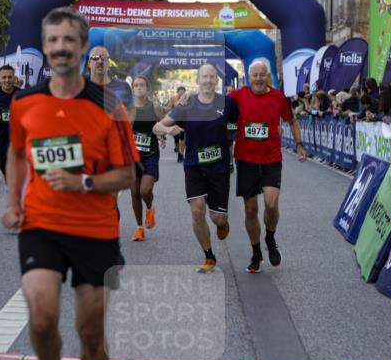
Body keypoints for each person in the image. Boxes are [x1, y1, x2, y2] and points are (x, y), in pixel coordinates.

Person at [2, 7, 138, 360]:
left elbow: (127, 175)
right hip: (42, 224)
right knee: (42, 317)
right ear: (45, 47)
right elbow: (17, 154)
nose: (61, 48)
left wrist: (84, 183)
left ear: (82, 48)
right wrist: (13, 202)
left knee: (90, 331)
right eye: (53, 40)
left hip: (95, 230)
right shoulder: (25, 103)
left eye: (69, 41)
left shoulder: (109, 107)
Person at [153, 63, 236, 273]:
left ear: (216, 80)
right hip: (194, 166)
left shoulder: (227, 103)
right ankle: (209, 256)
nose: (207, 80)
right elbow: (157, 126)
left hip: (219, 167)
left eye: (211, 77)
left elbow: (239, 123)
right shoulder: (187, 104)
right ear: (198, 80)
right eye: (204, 77)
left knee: (217, 217)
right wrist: (170, 130)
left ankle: (222, 222)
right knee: (197, 210)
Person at [229, 58, 306, 273]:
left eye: (262, 75)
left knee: (271, 205)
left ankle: (270, 238)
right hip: (246, 160)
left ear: (268, 76)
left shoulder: (278, 97)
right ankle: (256, 252)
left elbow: (292, 121)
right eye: (255, 75)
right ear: (248, 77)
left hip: (271, 158)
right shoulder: (237, 96)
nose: (258, 78)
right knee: (250, 210)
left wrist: (299, 145)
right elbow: (217, 110)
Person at [128, 75, 163, 241]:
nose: (139, 87)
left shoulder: (154, 106)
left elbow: (162, 123)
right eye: (136, 85)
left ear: (147, 89)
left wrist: (162, 135)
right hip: (133, 156)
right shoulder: (129, 109)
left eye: (142, 85)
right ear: (133, 89)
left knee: (144, 190)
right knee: (135, 193)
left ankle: (150, 207)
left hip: (150, 154)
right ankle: (139, 228)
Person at [86, 46, 132, 110]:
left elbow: (131, 109)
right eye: (95, 58)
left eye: (104, 58)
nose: (100, 61)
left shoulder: (123, 86)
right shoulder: (80, 87)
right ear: (89, 63)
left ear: (108, 64)